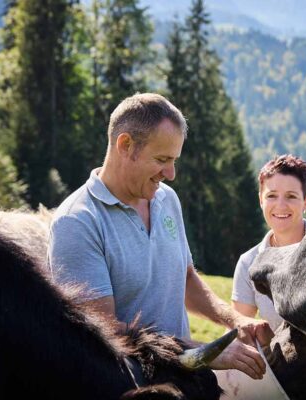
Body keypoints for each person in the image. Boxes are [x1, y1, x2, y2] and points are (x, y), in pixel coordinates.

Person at [48, 93, 272, 380]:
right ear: (125, 145)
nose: (171, 173)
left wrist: (235, 320)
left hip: (184, 379)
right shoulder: (77, 222)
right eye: (162, 159)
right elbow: (102, 330)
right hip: (127, 387)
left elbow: (186, 278)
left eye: (174, 160)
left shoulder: (166, 199)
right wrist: (202, 351)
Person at [232, 154, 306, 330]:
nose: (280, 205)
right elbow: (239, 331)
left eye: (291, 196)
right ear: (261, 200)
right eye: (272, 196)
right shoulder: (248, 263)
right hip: (275, 357)